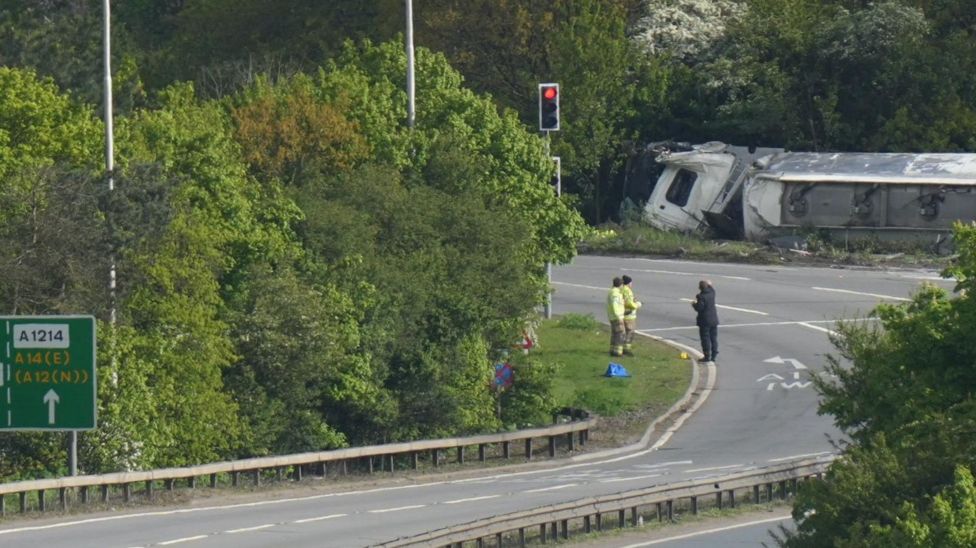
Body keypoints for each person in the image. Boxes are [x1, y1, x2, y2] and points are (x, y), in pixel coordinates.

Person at [692, 279, 719, 364]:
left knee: (705, 338)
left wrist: (694, 304)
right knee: (713, 338)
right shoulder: (712, 293)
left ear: (700, 288)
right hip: (714, 320)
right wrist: (710, 284)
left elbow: (699, 308)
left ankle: (707, 355)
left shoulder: (701, 296)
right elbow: (712, 288)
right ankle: (714, 355)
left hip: (705, 321)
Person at [621, 275, 642, 356]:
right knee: (630, 333)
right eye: (631, 282)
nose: (632, 284)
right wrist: (638, 304)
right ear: (629, 283)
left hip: (623, 314)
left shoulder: (621, 289)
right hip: (629, 316)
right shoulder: (627, 291)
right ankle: (626, 349)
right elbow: (630, 304)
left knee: (624, 333)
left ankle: (622, 348)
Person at [607, 277, 625, 357]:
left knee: (615, 334)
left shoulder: (612, 291)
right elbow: (615, 306)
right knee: (620, 334)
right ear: (620, 285)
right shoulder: (615, 294)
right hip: (616, 317)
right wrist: (619, 317)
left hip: (612, 316)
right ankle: (618, 352)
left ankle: (612, 350)